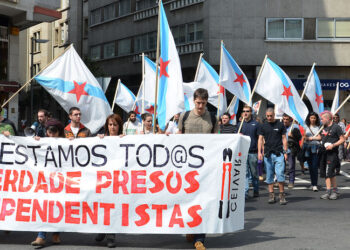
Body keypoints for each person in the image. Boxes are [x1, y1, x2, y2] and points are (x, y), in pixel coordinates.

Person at [177, 88, 218, 250]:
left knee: (203, 202)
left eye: (203, 103)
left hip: (206, 168)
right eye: (198, 102)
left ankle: (199, 239)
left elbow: (217, 141)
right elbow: (178, 139)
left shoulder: (213, 118)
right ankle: (190, 229)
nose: (200, 106)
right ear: (193, 101)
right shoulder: (184, 116)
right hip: (186, 168)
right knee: (187, 200)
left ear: (207, 102)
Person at [31, 119, 64, 247]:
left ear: (59, 132)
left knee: (59, 207)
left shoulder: (66, 143)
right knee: (45, 206)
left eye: (54, 131)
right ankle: (41, 236)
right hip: (45, 181)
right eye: (49, 131)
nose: (51, 134)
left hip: (62, 181)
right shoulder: (41, 142)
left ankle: (56, 233)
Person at [95, 114, 123, 248]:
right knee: (102, 207)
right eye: (110, 125)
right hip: (103, 180)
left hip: (117, 180)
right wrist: (99, 140)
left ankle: (111, 236)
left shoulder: (124, 140)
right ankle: (102, 229)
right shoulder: (102, 139)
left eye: (115, 125)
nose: (112, 127)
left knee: (113, 208)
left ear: (119, 126)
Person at [258, 108, 288, 205]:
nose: (269, 117)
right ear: (266, 115)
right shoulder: (263, 126)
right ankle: (271, 195)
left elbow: (284, 138)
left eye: (271, 116)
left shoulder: (280, 125)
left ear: (274, 115)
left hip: (279, 153)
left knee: (280, 174)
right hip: (267, 154)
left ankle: (282, 195)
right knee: (269, 175)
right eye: (267, 116)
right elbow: (260, 139)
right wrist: (260, 152)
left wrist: (286, 151)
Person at [316, 111, 345, 200]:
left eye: (322, 119)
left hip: (332, 154)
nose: (321, 120)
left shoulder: (336, 127)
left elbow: (342, 139)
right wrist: (310, 138)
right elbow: (321, 137)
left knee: (330, 173)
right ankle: (328, 192)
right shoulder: (324, 127)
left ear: (328, 118)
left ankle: (335, 191)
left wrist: (333, 145)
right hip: (324, 153)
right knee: (325, 173)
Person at [237, 105, 260, 199]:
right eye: (244, 111)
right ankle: (245, 192)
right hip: (243, 152)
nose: (245, 113)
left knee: (254, 173)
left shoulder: (256, 124)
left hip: (253, 152)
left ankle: (256, 189)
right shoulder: (240, 124)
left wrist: (260, 152)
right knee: (245, 173)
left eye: (247, 111)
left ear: (251, 113)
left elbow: (260, 139)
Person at [282, 114, 301, 189]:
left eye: (287, 119)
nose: (285, 121)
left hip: (291, 149)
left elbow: (299, 137)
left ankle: (291, 181)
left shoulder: (295, 126)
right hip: (281, 149)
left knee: (291, 166)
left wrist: (293, 135)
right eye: (284, 119)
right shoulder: (281, 126)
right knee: (281, 167)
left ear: (290, 120)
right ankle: (279, 180)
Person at [303, 112, 321, 191]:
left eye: (314, 118)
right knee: (310, 167)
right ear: (309, 118)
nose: (313, 119)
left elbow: (320, 137)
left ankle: (315, 184)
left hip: (315, 148)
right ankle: (312, 183)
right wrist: (306, 138)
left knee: (315, 166)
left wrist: (311, 138)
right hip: (307, 148)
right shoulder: (305, 126)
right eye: (311, 118)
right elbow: (303, 137)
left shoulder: (319, 127)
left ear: (316, 118)